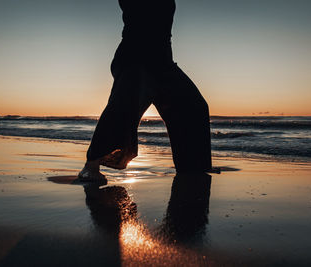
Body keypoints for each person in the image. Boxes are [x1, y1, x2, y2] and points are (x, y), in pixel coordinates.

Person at [78, 0, 215, 182]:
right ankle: (90, 166)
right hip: (136, 56)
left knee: (193, 106)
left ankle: (193, 167)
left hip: (163, 61)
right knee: (125, 105)